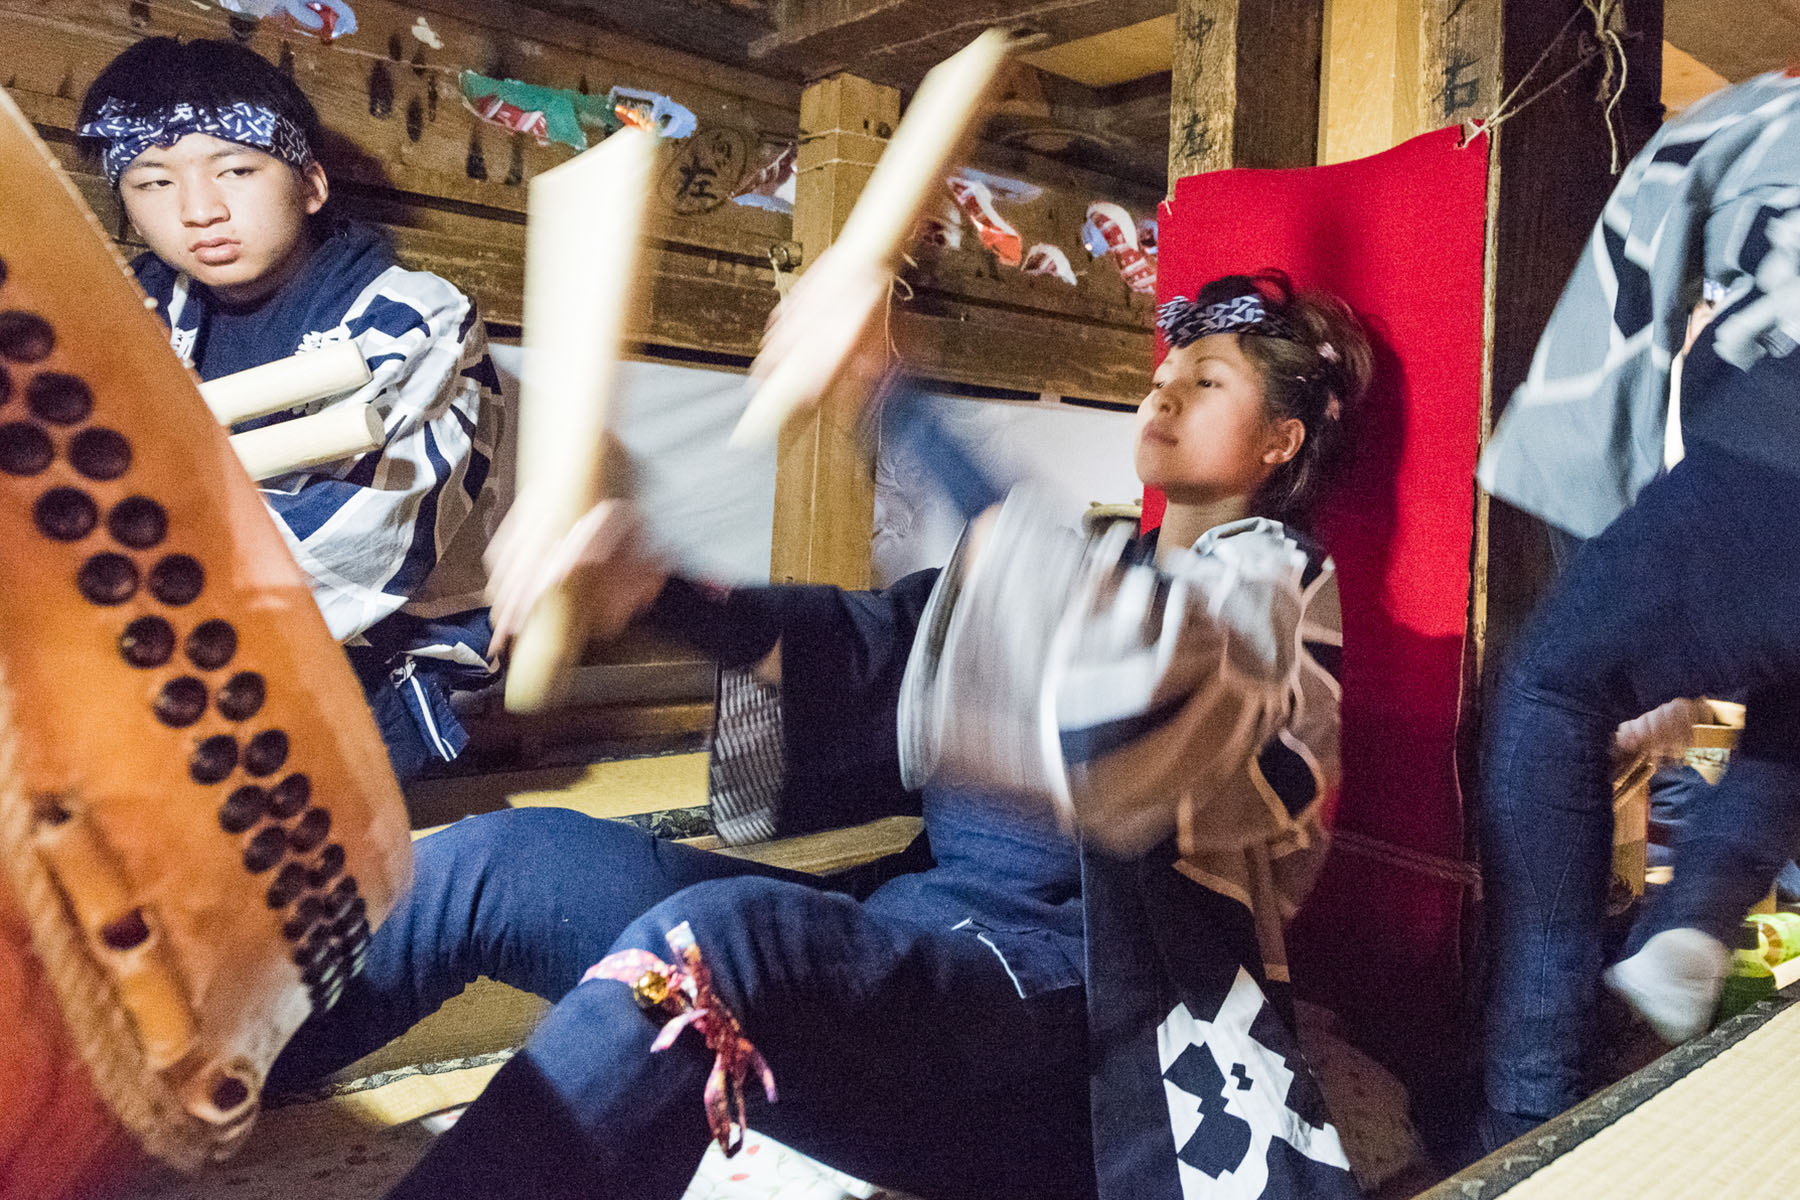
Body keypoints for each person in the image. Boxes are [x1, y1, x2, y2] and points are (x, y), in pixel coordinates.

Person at [267, 270, 1372, 1200]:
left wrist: (895, 400)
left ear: (1283, 441)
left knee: (715, 948)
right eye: (1163, 373)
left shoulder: (1275, 596)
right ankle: (189, 1085)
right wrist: (650, 587)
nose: (1164, 392)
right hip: (913, 957)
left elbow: (1124, 676)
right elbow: (857, 652)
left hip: (1069, 1046)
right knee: (505, 862)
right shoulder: (1069, 563)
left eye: (1209, 378)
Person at [1475, 68, 1800, 1147]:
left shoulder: (1773, 105)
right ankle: (1695, 922)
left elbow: (1623, 293)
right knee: (1791, 714)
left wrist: (1595, 545)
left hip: (1785, 443)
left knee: (1556, 684)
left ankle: (1533, 1080)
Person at [75, 38, 510, 782]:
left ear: (309, 184)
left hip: (361, 661)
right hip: (131, 637)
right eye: (152, 182)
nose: (199, 210)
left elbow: (346, 555)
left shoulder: (413, 319)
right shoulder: (123, 314)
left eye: (237, 170)